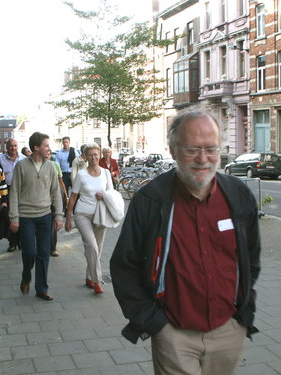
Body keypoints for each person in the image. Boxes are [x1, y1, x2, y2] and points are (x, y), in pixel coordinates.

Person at [110, 108, 261, 375]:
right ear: (173, 150)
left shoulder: (238, 195)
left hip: (229, 331)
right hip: (174, 334)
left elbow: (252, 258)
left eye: (211, 149)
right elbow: (124, 266)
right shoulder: (150, 201)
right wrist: (153, 322)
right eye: (192, 149)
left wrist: (243, 312)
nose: (203, 159)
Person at [9, 132, 63, 301]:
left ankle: (41, 288)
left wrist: (59, 215)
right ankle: (26, 275)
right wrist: (14, 217)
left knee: (44, 253)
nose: (49, 149)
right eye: (46, 145)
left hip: (45, 216)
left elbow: (56, 192)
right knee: (30, 252)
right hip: (25, 217)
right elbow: (14, 192)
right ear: (36, 148)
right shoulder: (21, 166)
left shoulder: (51, 167)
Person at [65, 143, 113, 294]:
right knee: (91, 246)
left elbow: (111, 193)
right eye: (90, 155)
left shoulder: (105, 173)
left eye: (96, 154)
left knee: (97, 249)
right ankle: (97, 281)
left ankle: (88, 276)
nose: (94, 157)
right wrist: (68, 217)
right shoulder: (81, 175)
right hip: (83, 215)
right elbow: (73, 196)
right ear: (85, 156)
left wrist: (104, 195)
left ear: (100, 155)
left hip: (101, 214)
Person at [0, 138, 26, 252]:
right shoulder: (0, 160)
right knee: (9, 217)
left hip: (21, 190)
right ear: (6, 147)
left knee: (22, 215)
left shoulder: (24, 159)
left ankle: (21, 241)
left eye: (15, 145)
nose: (13, 148)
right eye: (10, 146)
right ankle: (12, 241)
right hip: (6, 190)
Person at [47, 150, 68, 257]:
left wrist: (65, 195)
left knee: (53, 223)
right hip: (42, 200)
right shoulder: (38, 165)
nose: (47, 155)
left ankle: (53, 248)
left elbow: (61, 181)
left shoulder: (55, 165)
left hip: (54, 198)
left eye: (49, 153)